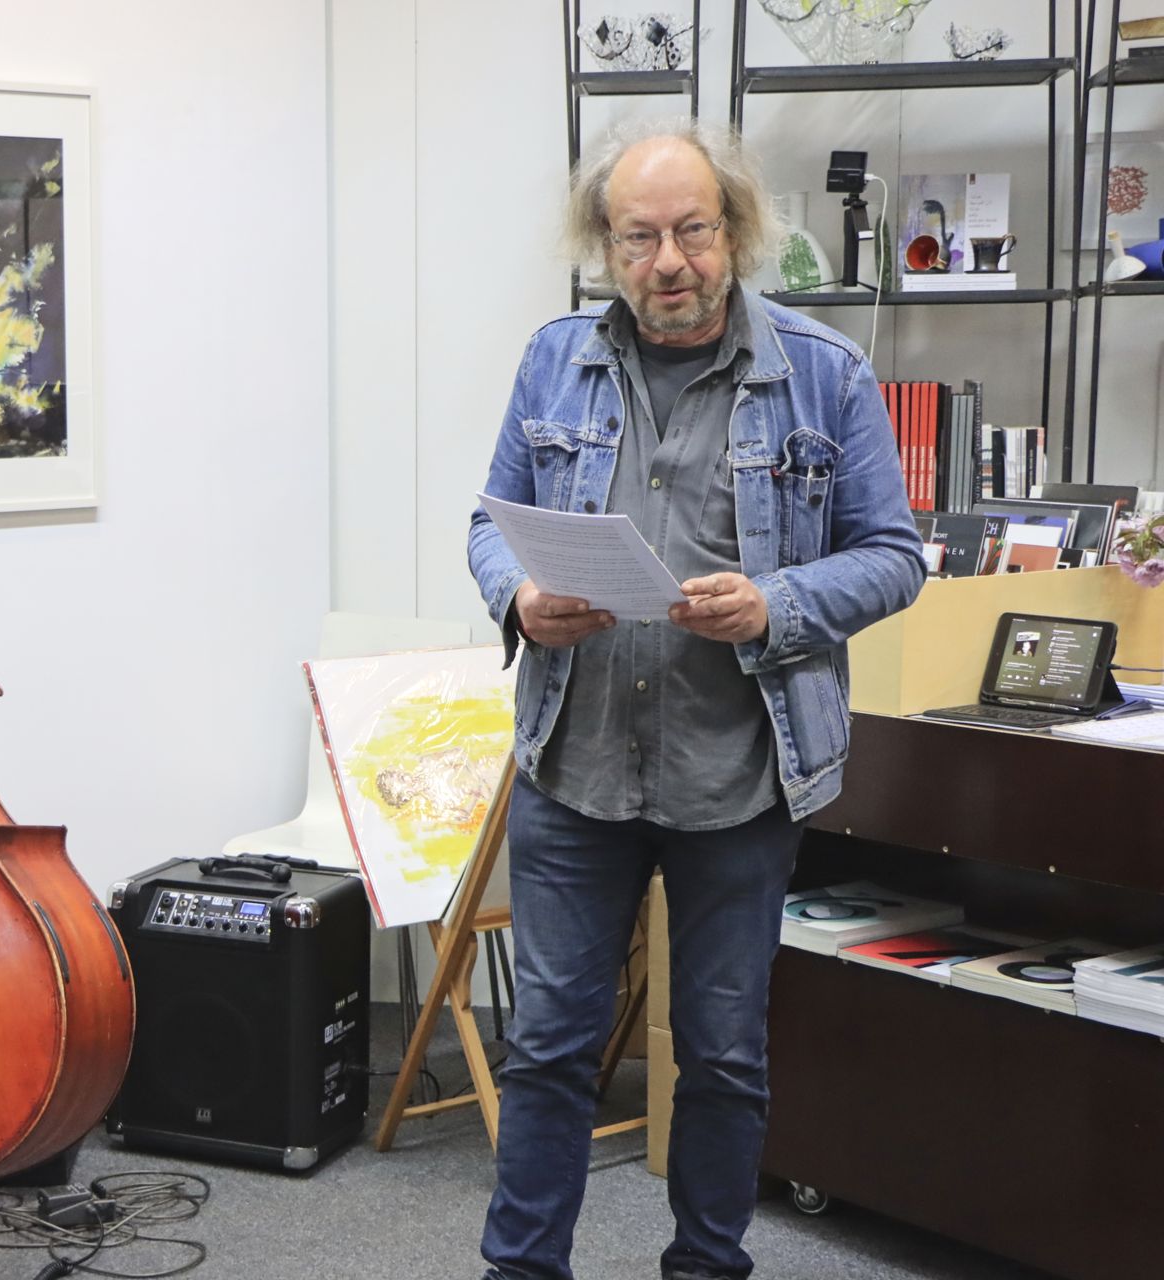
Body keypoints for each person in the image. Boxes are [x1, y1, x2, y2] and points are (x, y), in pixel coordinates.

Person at [465, 120, 923, 1280]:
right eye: (639, 237)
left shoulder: (824, 371)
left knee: (720, 1054)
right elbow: (489, 524)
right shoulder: (554, 359)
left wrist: (776, 602)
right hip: (575, 771)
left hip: (738, 778)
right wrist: (520, 597)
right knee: (549, 1045)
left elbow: (893, 555)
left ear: (736, 229)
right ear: (605, 245)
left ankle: (708, 1266)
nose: (668, 261)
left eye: (691, 231)